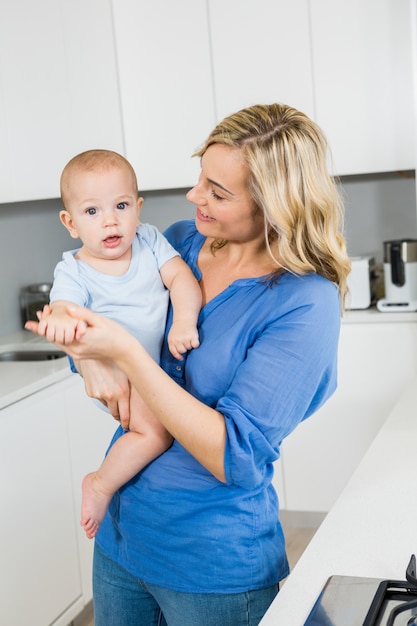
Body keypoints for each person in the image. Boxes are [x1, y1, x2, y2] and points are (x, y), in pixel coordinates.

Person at [27, 103, 351, 626]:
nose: (194, 196)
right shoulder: (177, 241)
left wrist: (124, 356)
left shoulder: (303, 303)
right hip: (121, 536)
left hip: (211, 563)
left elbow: (237, 456)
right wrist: (88, 363)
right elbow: (98, 325)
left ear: (275, 207)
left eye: (218, 193)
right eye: (201, 177)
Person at [36, 149, 202, 539]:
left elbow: (181, 280)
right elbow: (63, 309)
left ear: (138, 209)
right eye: (92, 212)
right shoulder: (73, 270)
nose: (110, 220)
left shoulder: (149, 241)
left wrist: (184, 321)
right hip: (120, 376)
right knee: (155, 434)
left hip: (153, 372)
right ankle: (100, 484)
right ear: (70, 222)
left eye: (121, 205)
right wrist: (60, 324)